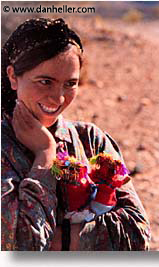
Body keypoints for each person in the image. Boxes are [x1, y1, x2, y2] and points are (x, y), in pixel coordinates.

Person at [1, 18, 151, 251]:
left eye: (70, 83)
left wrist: (59, 241)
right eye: (45, 81)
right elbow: (18, 247)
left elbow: (137, 234)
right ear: (13, 77)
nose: (58, 98)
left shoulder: (91, 139)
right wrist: (45, 156)